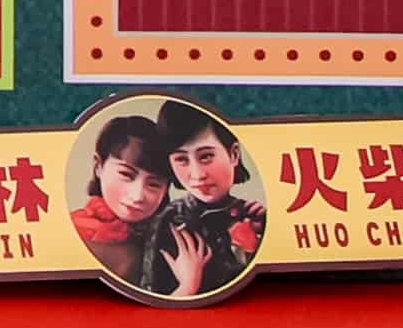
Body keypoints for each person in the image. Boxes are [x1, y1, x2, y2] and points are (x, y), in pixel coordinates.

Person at [148, 109, 267, 300]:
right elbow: (151, 297)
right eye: (181, 159)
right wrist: (188, 285)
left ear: (234, 154)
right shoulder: (169, 220)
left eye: (206, 156)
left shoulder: (253, 215)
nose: (197, 175)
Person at [70, 118, 171, 284]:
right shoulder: (70, 231)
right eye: (126, 175)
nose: (137, 196)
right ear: (98, 166)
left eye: (154, 184)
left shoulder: (171, 241)